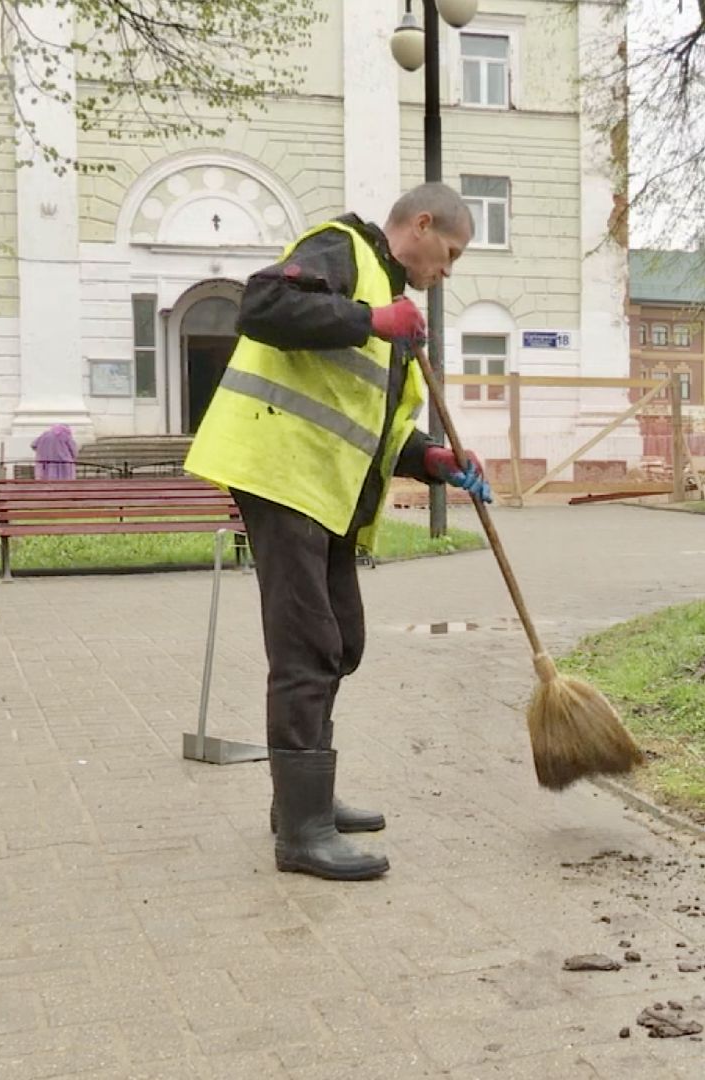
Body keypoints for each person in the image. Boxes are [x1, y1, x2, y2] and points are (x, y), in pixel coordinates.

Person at [184, 182, 493, 882]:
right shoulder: (344, 248)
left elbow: (374, 422)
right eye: (450, 252)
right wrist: (372, 319)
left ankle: (304, 799)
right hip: (278, 468)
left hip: (323, 490)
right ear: (421, 224)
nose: (448, 270)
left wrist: (433, 459)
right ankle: (302, 831)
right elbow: (262, 305)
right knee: (307, 643)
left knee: (341, 637)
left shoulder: (384, 295)